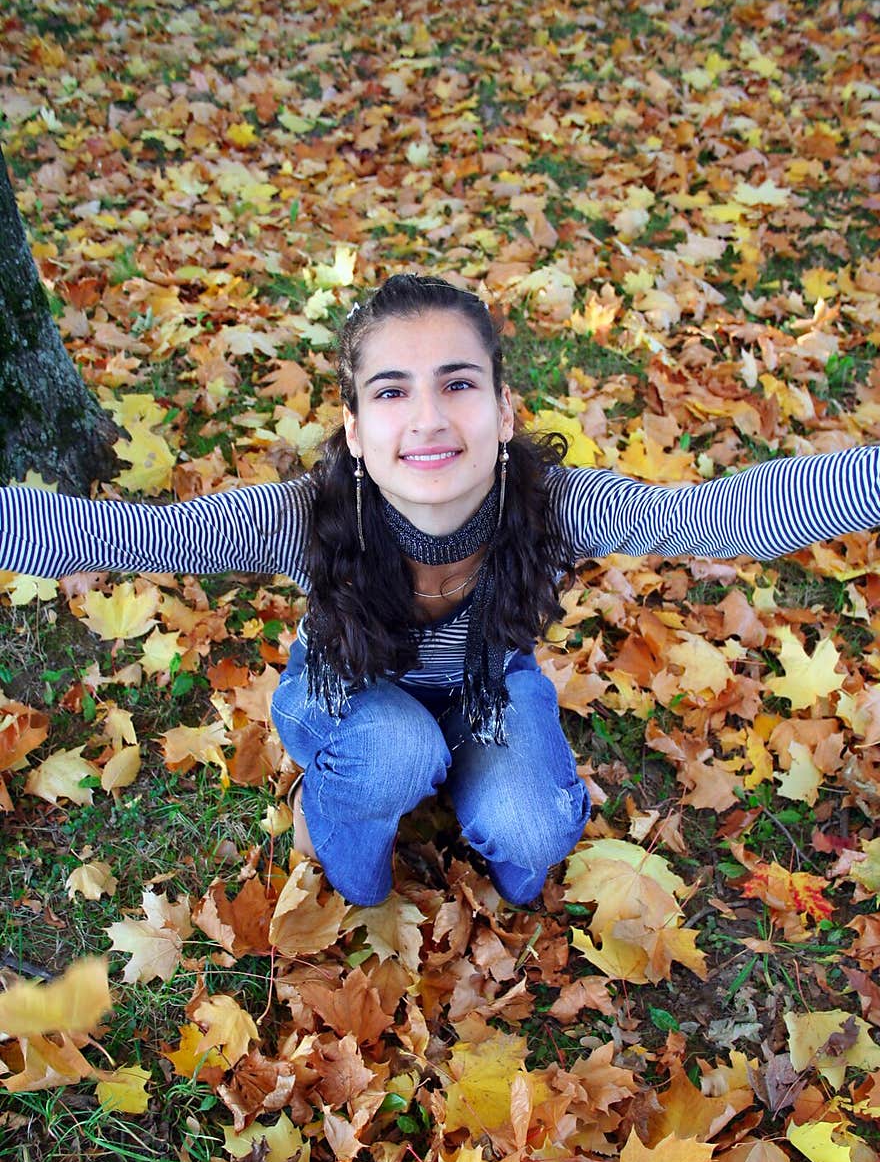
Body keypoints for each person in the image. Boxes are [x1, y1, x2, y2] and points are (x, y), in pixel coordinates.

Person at [2, 273, 879, 909]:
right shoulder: (309, 515)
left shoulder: (556, 505)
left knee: (532, 849)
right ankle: (339, 798)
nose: (426, 418)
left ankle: (472, 774)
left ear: (503, 410)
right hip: (348, 695)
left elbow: (719, 517)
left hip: (485, 695)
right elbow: (133, 534)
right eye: (392, 392)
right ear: (354, 428)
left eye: (458, 384)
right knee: (386, 777)